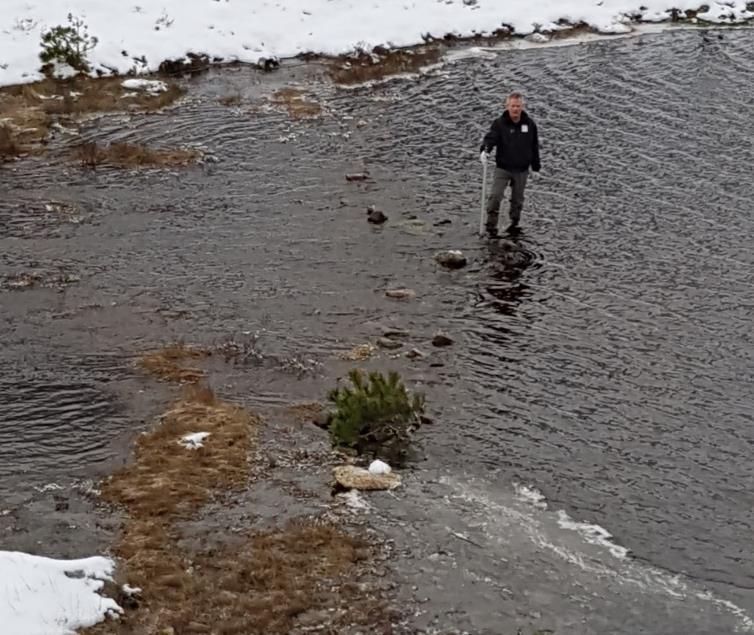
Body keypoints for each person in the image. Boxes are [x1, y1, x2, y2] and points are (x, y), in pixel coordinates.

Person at [479, 92, 541, 236]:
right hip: (503, 168)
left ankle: (514, 226)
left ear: (522, 107)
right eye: (513, 106)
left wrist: (536, 167)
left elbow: (534, 146)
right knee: (495, 197)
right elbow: (491, 138)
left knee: (517, 201)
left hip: (521, 170)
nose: (515, 109)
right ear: (507, 106)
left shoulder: (530, 124)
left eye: (518, 106)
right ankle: (491, 227)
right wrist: (485, 150)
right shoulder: (499, 123)